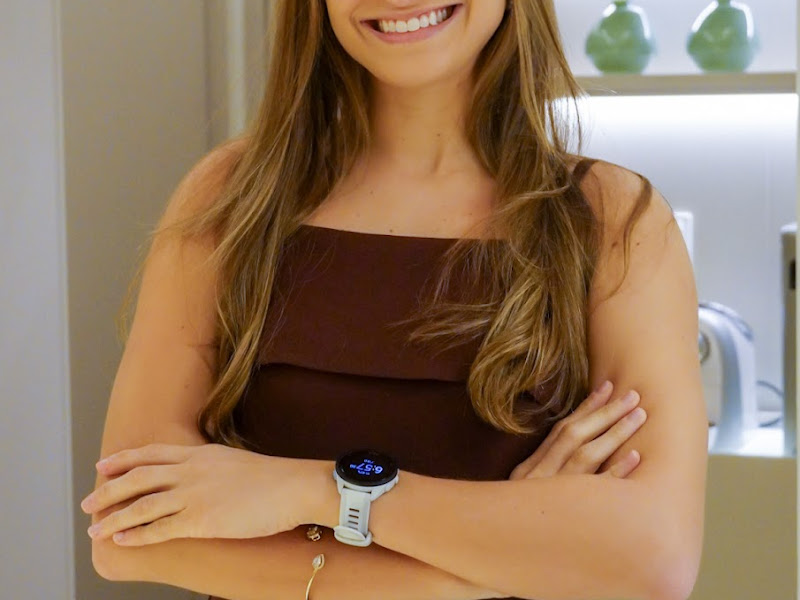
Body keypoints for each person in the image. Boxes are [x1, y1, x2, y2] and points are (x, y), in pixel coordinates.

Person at [80, 1, 707, 599]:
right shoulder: (230, 198)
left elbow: (656, 556)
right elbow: (127, 536)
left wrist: (314, 490)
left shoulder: (611, 218)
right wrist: (494, 570)